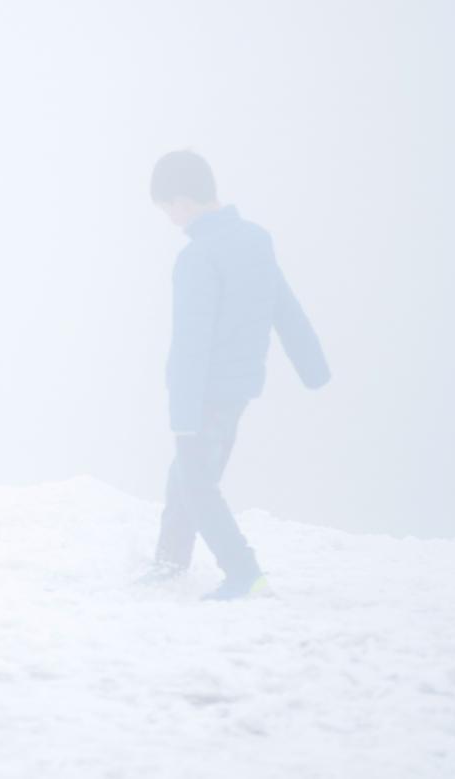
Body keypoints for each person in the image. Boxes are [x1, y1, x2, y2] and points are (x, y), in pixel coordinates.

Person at [143, 150, 330, 600]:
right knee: (185, 476)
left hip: (205, 392)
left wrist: (182, 415)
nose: (171, 219)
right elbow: (284, 307)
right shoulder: (254, 240)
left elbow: (191, 342)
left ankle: (244, 572)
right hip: (238, 388)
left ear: (182, 201)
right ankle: (170, 562)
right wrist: (313, 368)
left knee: (197, 483)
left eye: (167, 208)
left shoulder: (198, 258)